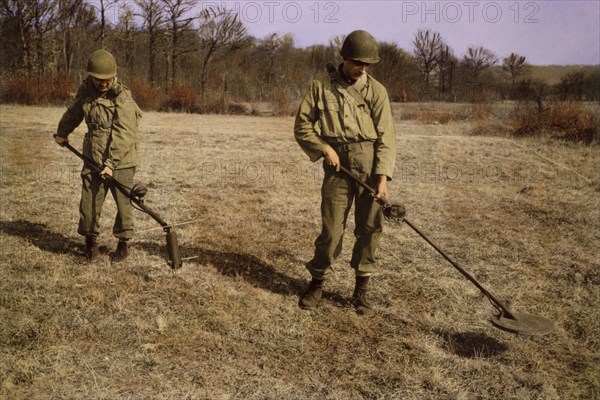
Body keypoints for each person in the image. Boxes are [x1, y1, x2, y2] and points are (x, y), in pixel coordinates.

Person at [294, 30, 397, 316]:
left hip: (369, 164)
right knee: (331, 229)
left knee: (369, 229)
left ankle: (361, 292)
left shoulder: (377, 92)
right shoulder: (320, 87)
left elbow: (387, 138)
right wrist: (324, 148)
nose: (361, 68)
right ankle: (317, 283)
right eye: (356, 62)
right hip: (337, 167)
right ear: (344, 59)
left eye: (367, 64)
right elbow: (302, 126)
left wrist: (382, 179)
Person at [54, 49, 141, 264]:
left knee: (123, 203)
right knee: (90, 201)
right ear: (91, 76)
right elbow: (74, 112)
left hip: (121, 159)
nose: (103, 84)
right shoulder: (85, 90)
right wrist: (62, 132)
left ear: (114, 75)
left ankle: (123, 245)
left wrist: (111, 163)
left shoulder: (122, 95)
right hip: (92, 155)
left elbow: (125, 133)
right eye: (98, 79)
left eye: (107, 79)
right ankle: (90, 245)